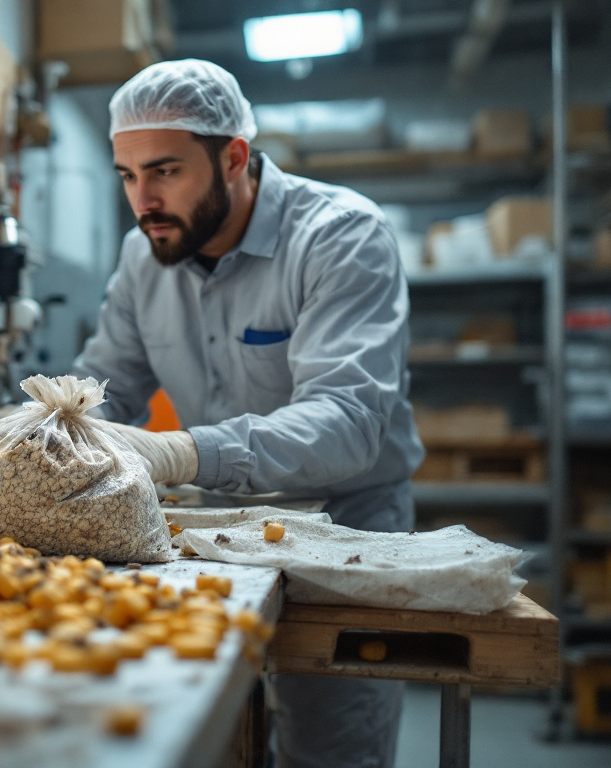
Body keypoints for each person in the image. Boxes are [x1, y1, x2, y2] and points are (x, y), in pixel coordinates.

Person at [72, 59, 425, 767]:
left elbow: (348, 421)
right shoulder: (146, 257)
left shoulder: (339, 237)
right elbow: (104, 383)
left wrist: (178, 453)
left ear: (234, 157)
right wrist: (46, 426)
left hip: (342, 534)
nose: (144, 201)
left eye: (165, 171)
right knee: (201, 733)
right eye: (127, 176)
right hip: (217, 538)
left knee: (332, 751)